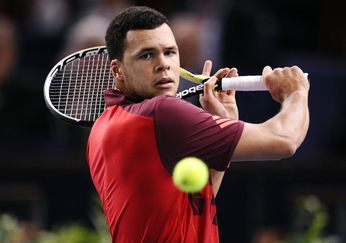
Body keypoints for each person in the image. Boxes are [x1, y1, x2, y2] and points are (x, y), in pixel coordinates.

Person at [86, 6, 310, 243]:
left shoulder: (102, 127)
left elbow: (195, 204)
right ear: (117, 69)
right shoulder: (162, 113)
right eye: (147, 55)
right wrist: (296, 92)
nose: (163, 64)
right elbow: (283, 141)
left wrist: (224, 124)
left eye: (170, 52)